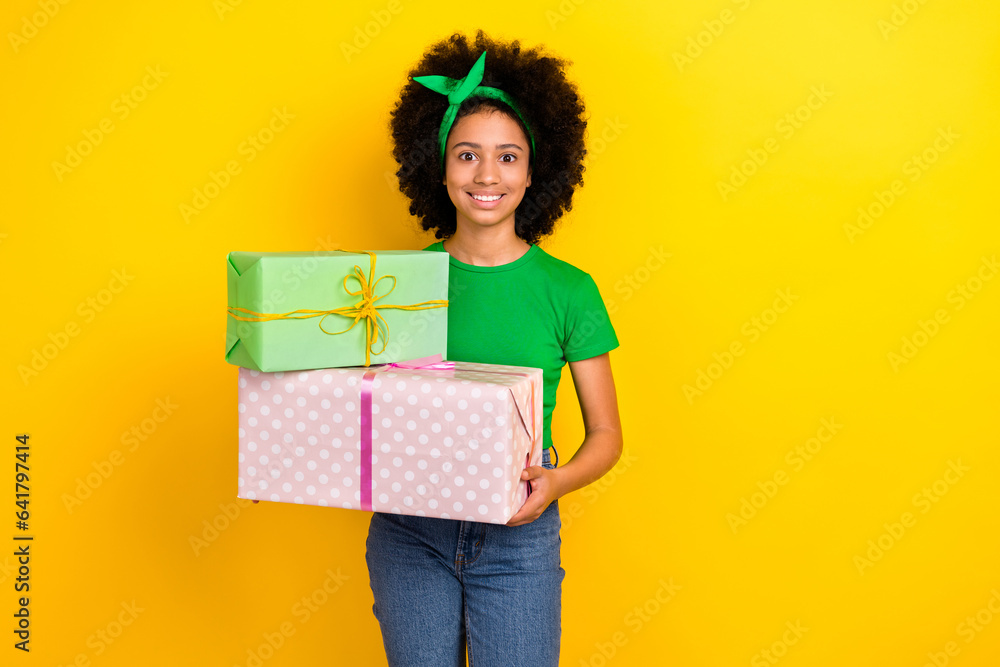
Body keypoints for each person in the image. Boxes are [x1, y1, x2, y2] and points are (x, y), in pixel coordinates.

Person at [365, 30, 623, 666]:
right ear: (439, 165)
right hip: (409, 534)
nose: (486, 175)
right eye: (467, 155)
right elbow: (359, 402)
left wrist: (556, 483)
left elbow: (608, 435)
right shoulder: (397, 286)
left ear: (536, 171)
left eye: (508, 157)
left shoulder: (570, 291)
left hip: (519, 538)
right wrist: (282, 451)